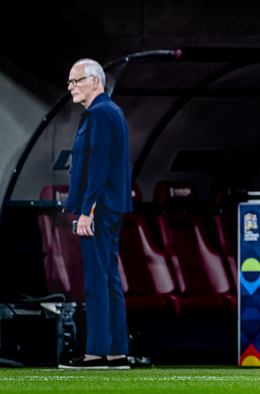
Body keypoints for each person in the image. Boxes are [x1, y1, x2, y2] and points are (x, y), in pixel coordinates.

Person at [59, 59, 133, 369]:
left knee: (97, 280)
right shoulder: (110, 111)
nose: (70, 86)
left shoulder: (100, 113)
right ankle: (116, 353)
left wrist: (87, 211)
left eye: (76, 81)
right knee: (109, 278)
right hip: (110, 206)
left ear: (95, 81)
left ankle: (96, 354)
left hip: (99, 209)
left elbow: (98, 165)